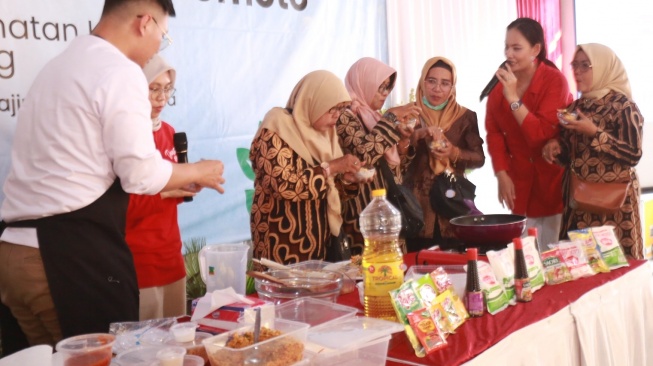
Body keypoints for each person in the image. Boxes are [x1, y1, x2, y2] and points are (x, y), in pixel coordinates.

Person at [0, 0, 225, 348]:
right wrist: (198, 170)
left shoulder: (59, 65)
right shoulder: (118, 70)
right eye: (162, 36)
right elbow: (139, 174)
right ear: (145, 23)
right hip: (64, 258)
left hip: (15, 251)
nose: (157, 46)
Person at [250, 70, 367, 266]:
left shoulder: (327, 134)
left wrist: (347, 179)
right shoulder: (276, 127)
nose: (337, 116)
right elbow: (285, 185)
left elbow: (330, 190)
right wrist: (332, 167)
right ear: (313, 100)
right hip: (281, 245)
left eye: (341, 109)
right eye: (332, 109)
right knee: (282, 295)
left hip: (321, 247)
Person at [542, 43, 644, 258]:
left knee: (618, 266)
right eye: (574, 65)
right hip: (580, 203)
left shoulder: (623, 106)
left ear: (602, 68)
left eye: (585, 66)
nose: (577, 72)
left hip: (615, 204)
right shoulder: (574, 108)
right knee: (580, 265)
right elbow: (570, 155)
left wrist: (595, 133)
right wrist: (555, 149)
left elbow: (633, 154)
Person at [485, 17, 572, 249]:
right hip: (519, 181)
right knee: (524, 259)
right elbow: (494, 133)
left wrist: (513, 99)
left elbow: (541, 134)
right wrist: (502, 174)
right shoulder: (497, 88)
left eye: (516, 48)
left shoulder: (555, 81)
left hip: (552, 180)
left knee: (553, 254)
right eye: (506, 47)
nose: (509, 54)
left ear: (535, 49)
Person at [126, 54, 191, 321]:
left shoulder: (169, 132)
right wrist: (166, 191)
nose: (161, 97)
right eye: (153, 88)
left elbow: (168, 193)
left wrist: (186, 185)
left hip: (172, 258)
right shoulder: (126, 135)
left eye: (166, 88)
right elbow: (122, 207)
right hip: (140, 263)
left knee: (178, 345)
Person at [337, 57, 422, 255]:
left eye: (387, 88)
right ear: (363, 82)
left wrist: (402, 143)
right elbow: (363, 154)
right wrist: (391, 116)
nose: (384, 94)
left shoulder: (373, 116)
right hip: (361, 213)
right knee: (368, 275)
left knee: (393, 274)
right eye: (380, 87)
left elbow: (395, 170)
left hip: (387, 210)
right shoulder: (345, 116)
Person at [403, 57, 485, 251]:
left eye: (445, 83)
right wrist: (415, 137)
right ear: (422, 82)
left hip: (452, 204)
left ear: (452, 87)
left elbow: (479, 158)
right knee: (419, 270)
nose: (437, 89)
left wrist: (453, 152)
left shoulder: (465, 117)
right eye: (431, 81)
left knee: (455, 269)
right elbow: (395, 160)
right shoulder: (408, 114)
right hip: (416, 208)